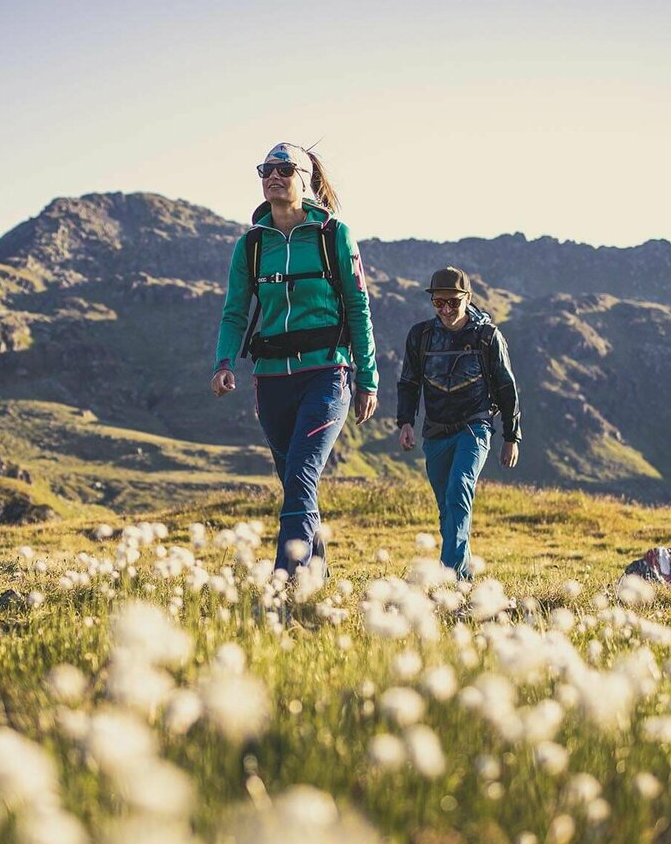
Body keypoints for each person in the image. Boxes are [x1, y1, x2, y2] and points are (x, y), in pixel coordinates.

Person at [211, 142, 379, 574]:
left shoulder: (334, 235)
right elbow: (235, 311)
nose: (274, 176)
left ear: (306, 179)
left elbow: (358, 307)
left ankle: (285, 580)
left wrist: (368, 378)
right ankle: (315, 581)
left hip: (327, 373)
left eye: (285, 168)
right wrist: (224, 363)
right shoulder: (249, 246)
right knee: (294, 484)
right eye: (266, 168)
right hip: (270, 380)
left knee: (302, 476)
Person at [396, 266, 521, 579]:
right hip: (435, 433)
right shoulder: (420, 336)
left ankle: (447, 579)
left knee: (458, 492)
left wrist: (511, 436)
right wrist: (406, 422)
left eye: (453, 302)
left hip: (474, 428)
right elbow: (409, 382)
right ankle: (464, 580)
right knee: (447, 511)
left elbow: (507, 387)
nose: (446, 309)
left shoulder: (487, 336)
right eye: (439, 303)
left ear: (467, 298)